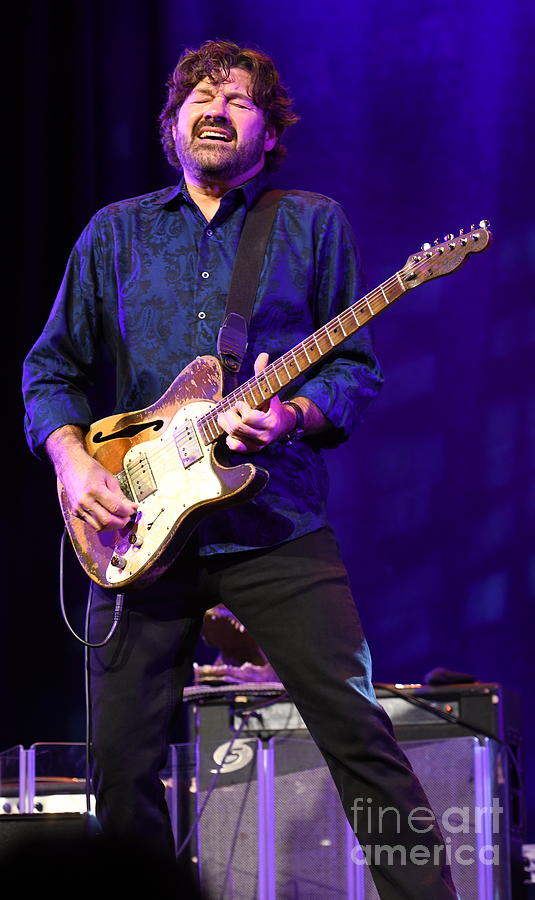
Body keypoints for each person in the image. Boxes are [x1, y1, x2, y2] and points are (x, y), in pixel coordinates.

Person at [22, 40, 457, 899]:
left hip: (276, 523)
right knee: (120, 765)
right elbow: (49, 372)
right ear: (172, 124)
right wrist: (74, 465)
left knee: (358, 736)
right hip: (136, 528)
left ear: (269, 133)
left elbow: (353, 372)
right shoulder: (114, 233)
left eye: (240, 99)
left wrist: (293, 413)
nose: (215, 108)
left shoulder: (309, 224)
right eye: (198, 95)